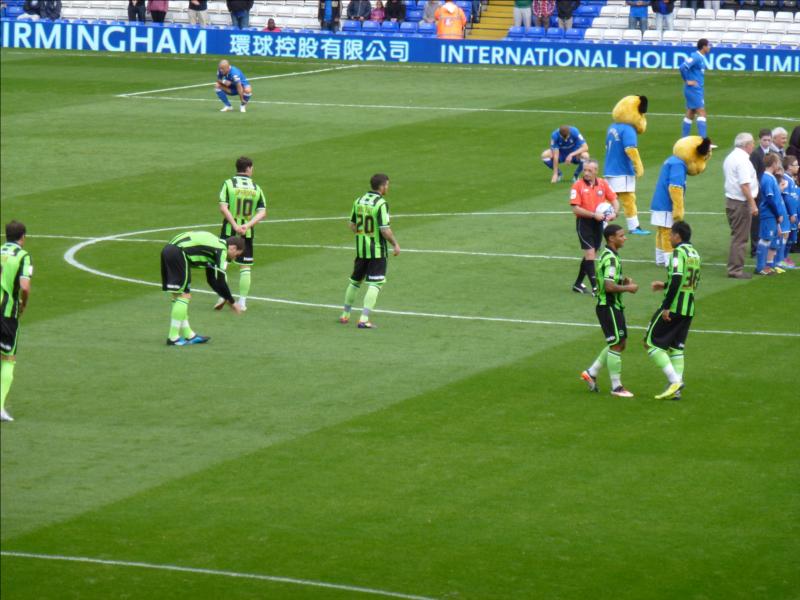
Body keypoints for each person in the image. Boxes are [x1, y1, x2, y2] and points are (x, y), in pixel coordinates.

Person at [580, 225, 639, 398]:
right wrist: (628, 287)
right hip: (608, 306)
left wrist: (622, 279)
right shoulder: (611, 258)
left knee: (620, 343)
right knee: (616, 344)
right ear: (612, 238)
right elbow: (608, 286)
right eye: (621, 235)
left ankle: (591, 373)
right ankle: (616, 387)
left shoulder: (611, 255)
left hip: (613, 306)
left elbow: (607, 278)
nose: (625, 238)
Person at [645, 221, 699, 401]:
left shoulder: (678, 253)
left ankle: (674, 381)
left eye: (671, 234)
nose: (669, 237)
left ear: (678, 236)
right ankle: (676, 391)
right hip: (688, 307)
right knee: (677, 348)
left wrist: (667, 306)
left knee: (650, 343)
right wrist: (664, 285)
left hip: (674, 307)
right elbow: (690, 281)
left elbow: (677, 277)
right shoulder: (694, 253)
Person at [161, 231, 244, 346]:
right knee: (184, 296)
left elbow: (211, 280)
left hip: (169, 250)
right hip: (178, 253)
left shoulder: (215, 246)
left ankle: (189, 334)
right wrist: (232, 302)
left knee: (179, 296)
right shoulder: (221, 250)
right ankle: (173, 337)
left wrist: (226, 298)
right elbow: (220, 280)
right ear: (233, 248)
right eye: (237, 255)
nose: (235, 258)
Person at [339, 174, 400, 329]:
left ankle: (345, 314)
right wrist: (395, 244)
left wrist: (363, 236)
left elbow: (352, 225)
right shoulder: (381, 203)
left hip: (361, 249)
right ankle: (364, 319)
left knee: (355, 281)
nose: (388, 187)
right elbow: (384, 229)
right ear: (382, 186)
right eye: (387, 185)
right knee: (376, 283)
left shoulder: (358, 201)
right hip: (377, 251)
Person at [213, 156, 267, 312]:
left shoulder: (228, 184)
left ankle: (222, 295)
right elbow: (262, 212)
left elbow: (223, 207)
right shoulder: (256, 188)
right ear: (249, 168)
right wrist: (246, 225)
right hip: (247, 232)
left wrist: (235, 225)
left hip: (229, 229)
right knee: (245, 267)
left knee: (222, 263)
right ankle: (242, 303)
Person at [650, 136, 713, 266]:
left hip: (659, 202)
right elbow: (675, 188)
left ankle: (660, 259)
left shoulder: (672, 160)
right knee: (668, 232)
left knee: (661, 230)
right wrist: (678, 209)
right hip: (666, 204)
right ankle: (669, 261)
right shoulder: (678, 164)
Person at [569, 159, 620, 295]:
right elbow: (575, 209)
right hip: (584, 223)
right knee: (590, 253)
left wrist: (615, 212)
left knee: (590, 254)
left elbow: (614, 199)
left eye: (589, 170)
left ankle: (578, 284)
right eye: (584, 170)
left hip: (599, 223)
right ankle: (595, 288)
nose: (586, 173)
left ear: (596, 171)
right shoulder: (577, 186)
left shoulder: (602, 183)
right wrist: (593, 215)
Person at [0, 221, 33, 422]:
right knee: (8, 358)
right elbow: (25, 286)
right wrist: (24, 304)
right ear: (23, 236)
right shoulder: (23, 256)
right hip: (6, 314)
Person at [604, 95, 650, 235]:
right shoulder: (628, 129)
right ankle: (634, 227)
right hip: (622, 170)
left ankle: (602, 224)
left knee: (609, 198)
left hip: (609, 169)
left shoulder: (612, 127)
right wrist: (638, 167)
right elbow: (630, 149)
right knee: (628, 199)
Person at [723, 132, 759, 279]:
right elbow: (745, 186)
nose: (753, 146)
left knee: (737, 235)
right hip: (740, 203)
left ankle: (734, 267)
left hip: (731, 201)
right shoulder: (743, 161)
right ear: (747, 145)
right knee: (740, 237)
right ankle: (735, 270)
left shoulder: (730, 157)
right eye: (752, 144)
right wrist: (753, 205)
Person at [754, 153, 784, 275]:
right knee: (765, 239)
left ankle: (767, 266)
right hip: (769, 214)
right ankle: (760, 267)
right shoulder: (767, 178)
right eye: (778, 162)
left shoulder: (770, 177)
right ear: (773, 164)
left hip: (772, 214)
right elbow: (770, 200)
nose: (779, 165)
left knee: (770, 239)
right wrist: (777, 214)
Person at [679, 38, 711, 138]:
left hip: (696, 89)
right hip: (693, 89)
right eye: (708, 45)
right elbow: (682, 67)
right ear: (704, 47)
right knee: (702, 112)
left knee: (691, 112)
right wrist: (687, 80)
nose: (710, 47)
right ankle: (704, 141)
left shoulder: (700, 57)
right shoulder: (696, 57)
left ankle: (684, 139)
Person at [749, 128, 772, 258]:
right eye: (765, 140)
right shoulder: (756, 154)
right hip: (758, 193)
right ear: (759, 140)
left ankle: (765, 246)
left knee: (767, 219)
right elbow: (753, 174)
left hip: (769, 192)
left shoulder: (772, 153)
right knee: (756, 222)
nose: (767, 142)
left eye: (769, 140)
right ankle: (755, 249)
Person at [782, 155, 800, 255]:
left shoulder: (791, 179)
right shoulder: (785, 180)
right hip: (788, 215)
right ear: (789, 166)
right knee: (785, 237)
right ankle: (780, 260)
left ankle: (784, 258)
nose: (798, 167)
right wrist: (792, 213)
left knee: (792, 238)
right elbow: (787, 198)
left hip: (792, 215)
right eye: (796, 165)